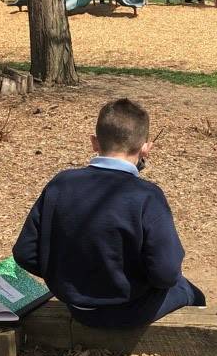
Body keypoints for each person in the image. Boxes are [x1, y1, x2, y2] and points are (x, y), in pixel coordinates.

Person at [13, 98, 204, 329]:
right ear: (146, 148)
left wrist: (64, 277)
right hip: (130, 310)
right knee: (192, 293)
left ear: (95, 142)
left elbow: (25, 253)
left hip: (76, 307)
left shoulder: (60, 184)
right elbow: (166, 274)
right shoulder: (147, 196)